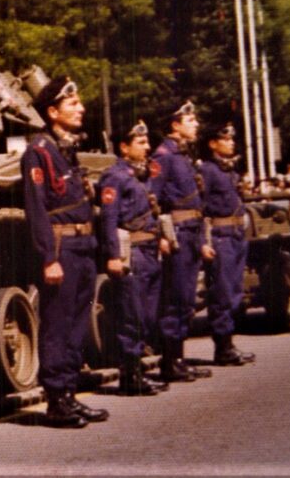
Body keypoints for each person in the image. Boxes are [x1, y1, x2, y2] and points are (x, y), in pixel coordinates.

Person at [22, 77, 107, 428]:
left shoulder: (65, 150)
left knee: (75, 323)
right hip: (61, 248)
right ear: (53, 111)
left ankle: (70, 393)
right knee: (58, 324)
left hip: (82, 246)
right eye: (72, 104)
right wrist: (49, 258)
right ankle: (56, 400)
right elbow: (37, 209)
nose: (81, 108)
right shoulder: (38, 151)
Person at [96, 120, 170, 396]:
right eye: (141, 142)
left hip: (149, 252)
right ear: (124, 148)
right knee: (133, 315)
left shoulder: (140, 176)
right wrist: (113, 255)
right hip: (133, 254)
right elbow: (108, 218)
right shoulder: (114, 177)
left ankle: (139, 368)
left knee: (148, 315)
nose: (148, 146)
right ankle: (131, 375)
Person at [149, 101, 212, 382]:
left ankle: (179, 357)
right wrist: (162, 235)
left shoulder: (183, 155)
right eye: (191, 120)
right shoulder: (163, 156)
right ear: (175, 125)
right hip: (177, 234)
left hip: (192, 231)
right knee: (175, 298)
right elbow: (153, 199)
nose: (196, 124)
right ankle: (169, 361)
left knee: (187, 298)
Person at [200, 123, 256, 364]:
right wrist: (204, 241)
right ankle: (222, 347)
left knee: (234, 290)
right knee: (222, 292)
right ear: (213, 143)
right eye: (225, 139)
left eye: (232, 139)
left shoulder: (228, 170)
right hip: (220, 234)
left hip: (235, 233)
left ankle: (229, 343)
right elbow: (200, 209)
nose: (231, 142)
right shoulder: (208, 171)